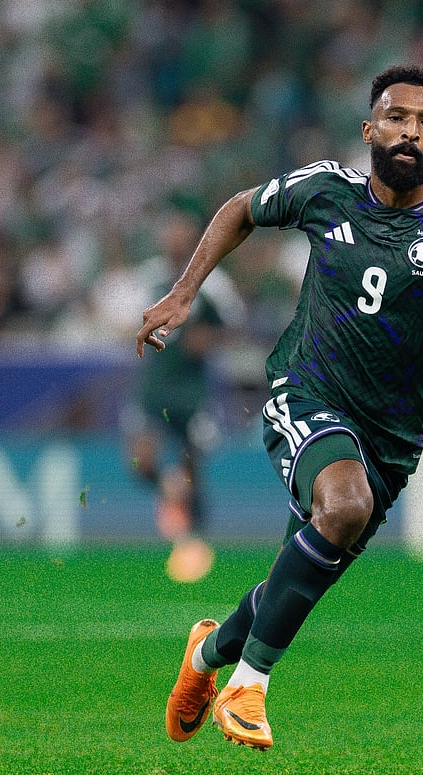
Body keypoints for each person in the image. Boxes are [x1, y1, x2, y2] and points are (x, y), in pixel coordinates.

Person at [141, 64, 423, 751]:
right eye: (397, 117)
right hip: (307, 392)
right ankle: (247, 688)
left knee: (295, 581)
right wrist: (185, 291)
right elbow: (240, 209)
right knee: (343, 507)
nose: (410, 132)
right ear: (370, 128)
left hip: (391, 439)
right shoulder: (326, 190)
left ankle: (206, 653)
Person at [125, 209, 242, 583]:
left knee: (193, 466)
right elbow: (123, 321)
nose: (174, 240)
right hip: (154, 386)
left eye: (181, 234)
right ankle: (168, 490)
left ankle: (193, 540)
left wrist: (208, 339)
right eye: (170, 233)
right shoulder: (149, 277)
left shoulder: (214, 283)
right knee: (141, 460)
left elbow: (234, 326)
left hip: (192, 392)